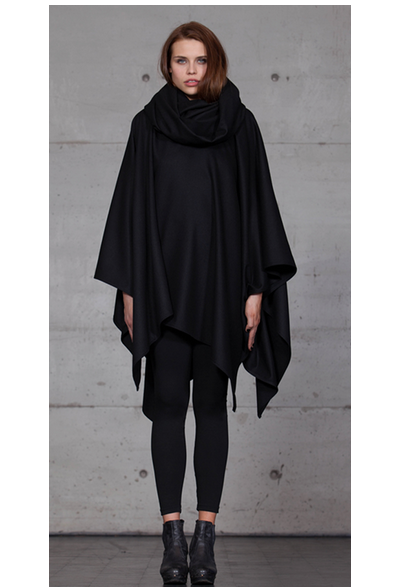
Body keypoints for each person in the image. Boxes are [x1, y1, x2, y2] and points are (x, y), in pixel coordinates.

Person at [95, 21, 296, 585]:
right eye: (181, 60)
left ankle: (205, 539)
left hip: (221, 291)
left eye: (200, 60)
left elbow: (257, 211)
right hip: (162, 292)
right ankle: (172, 537)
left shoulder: (241, 125)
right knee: (166, 408)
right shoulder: (147, 126)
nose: (190, 70)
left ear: (214, 64)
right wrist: (130, 290)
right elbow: (130, 211)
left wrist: (255, 292)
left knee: (209, 408)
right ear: (167, 65)